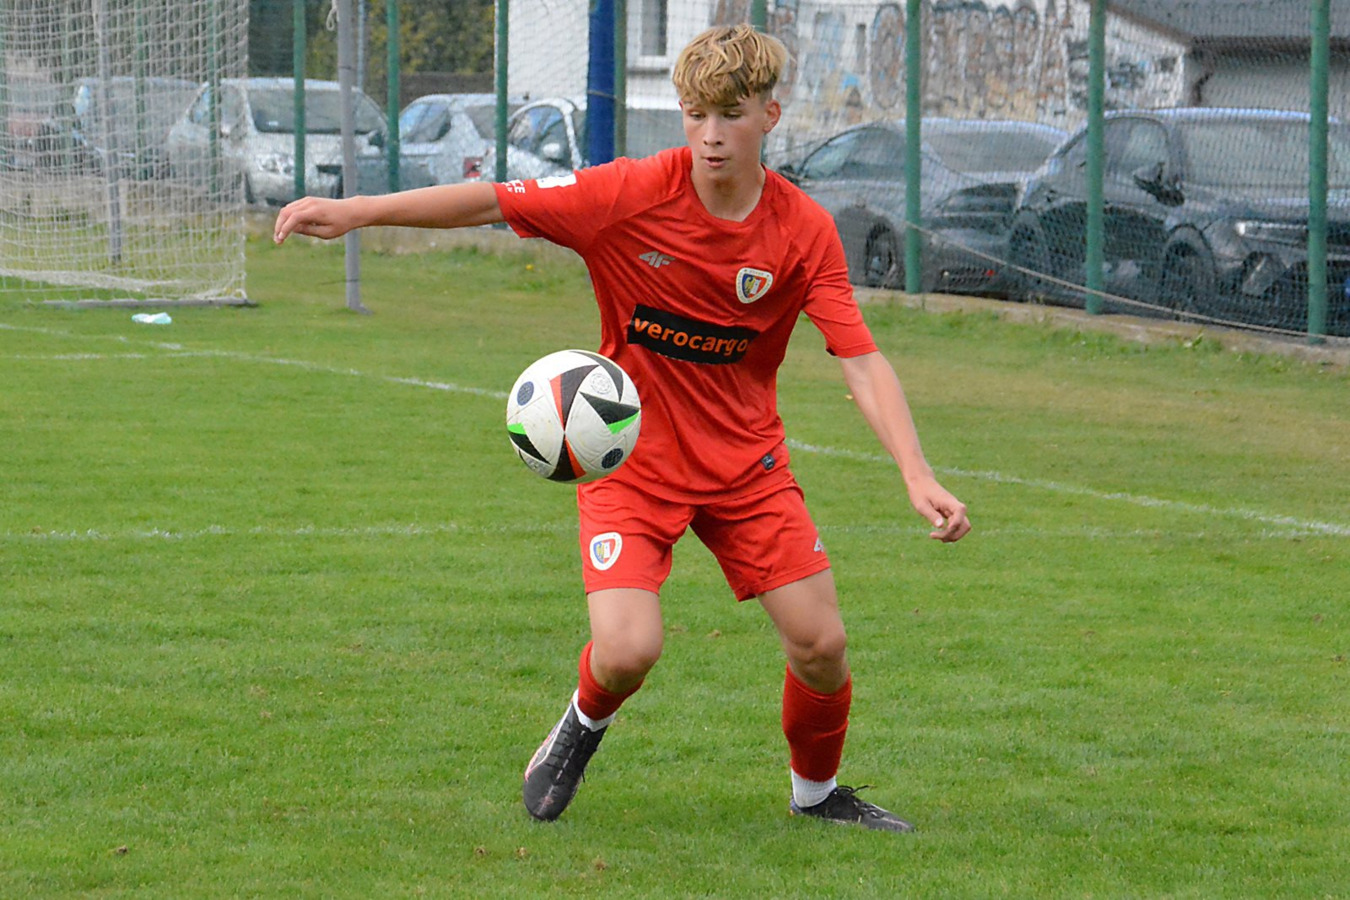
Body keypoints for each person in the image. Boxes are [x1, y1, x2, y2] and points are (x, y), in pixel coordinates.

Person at [273, 23, 971, 833]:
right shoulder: (629, 194)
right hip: (630, 460)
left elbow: (860, 358)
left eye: (731, 115)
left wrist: (916, 471)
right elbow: (493, 200)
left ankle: (816, 797)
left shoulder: (802, 230)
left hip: (745, 467)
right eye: (696, 114)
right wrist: (355, 211)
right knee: (629, 650)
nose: (711, 135)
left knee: (822, 645)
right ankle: (581, 723)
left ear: (770, 116)